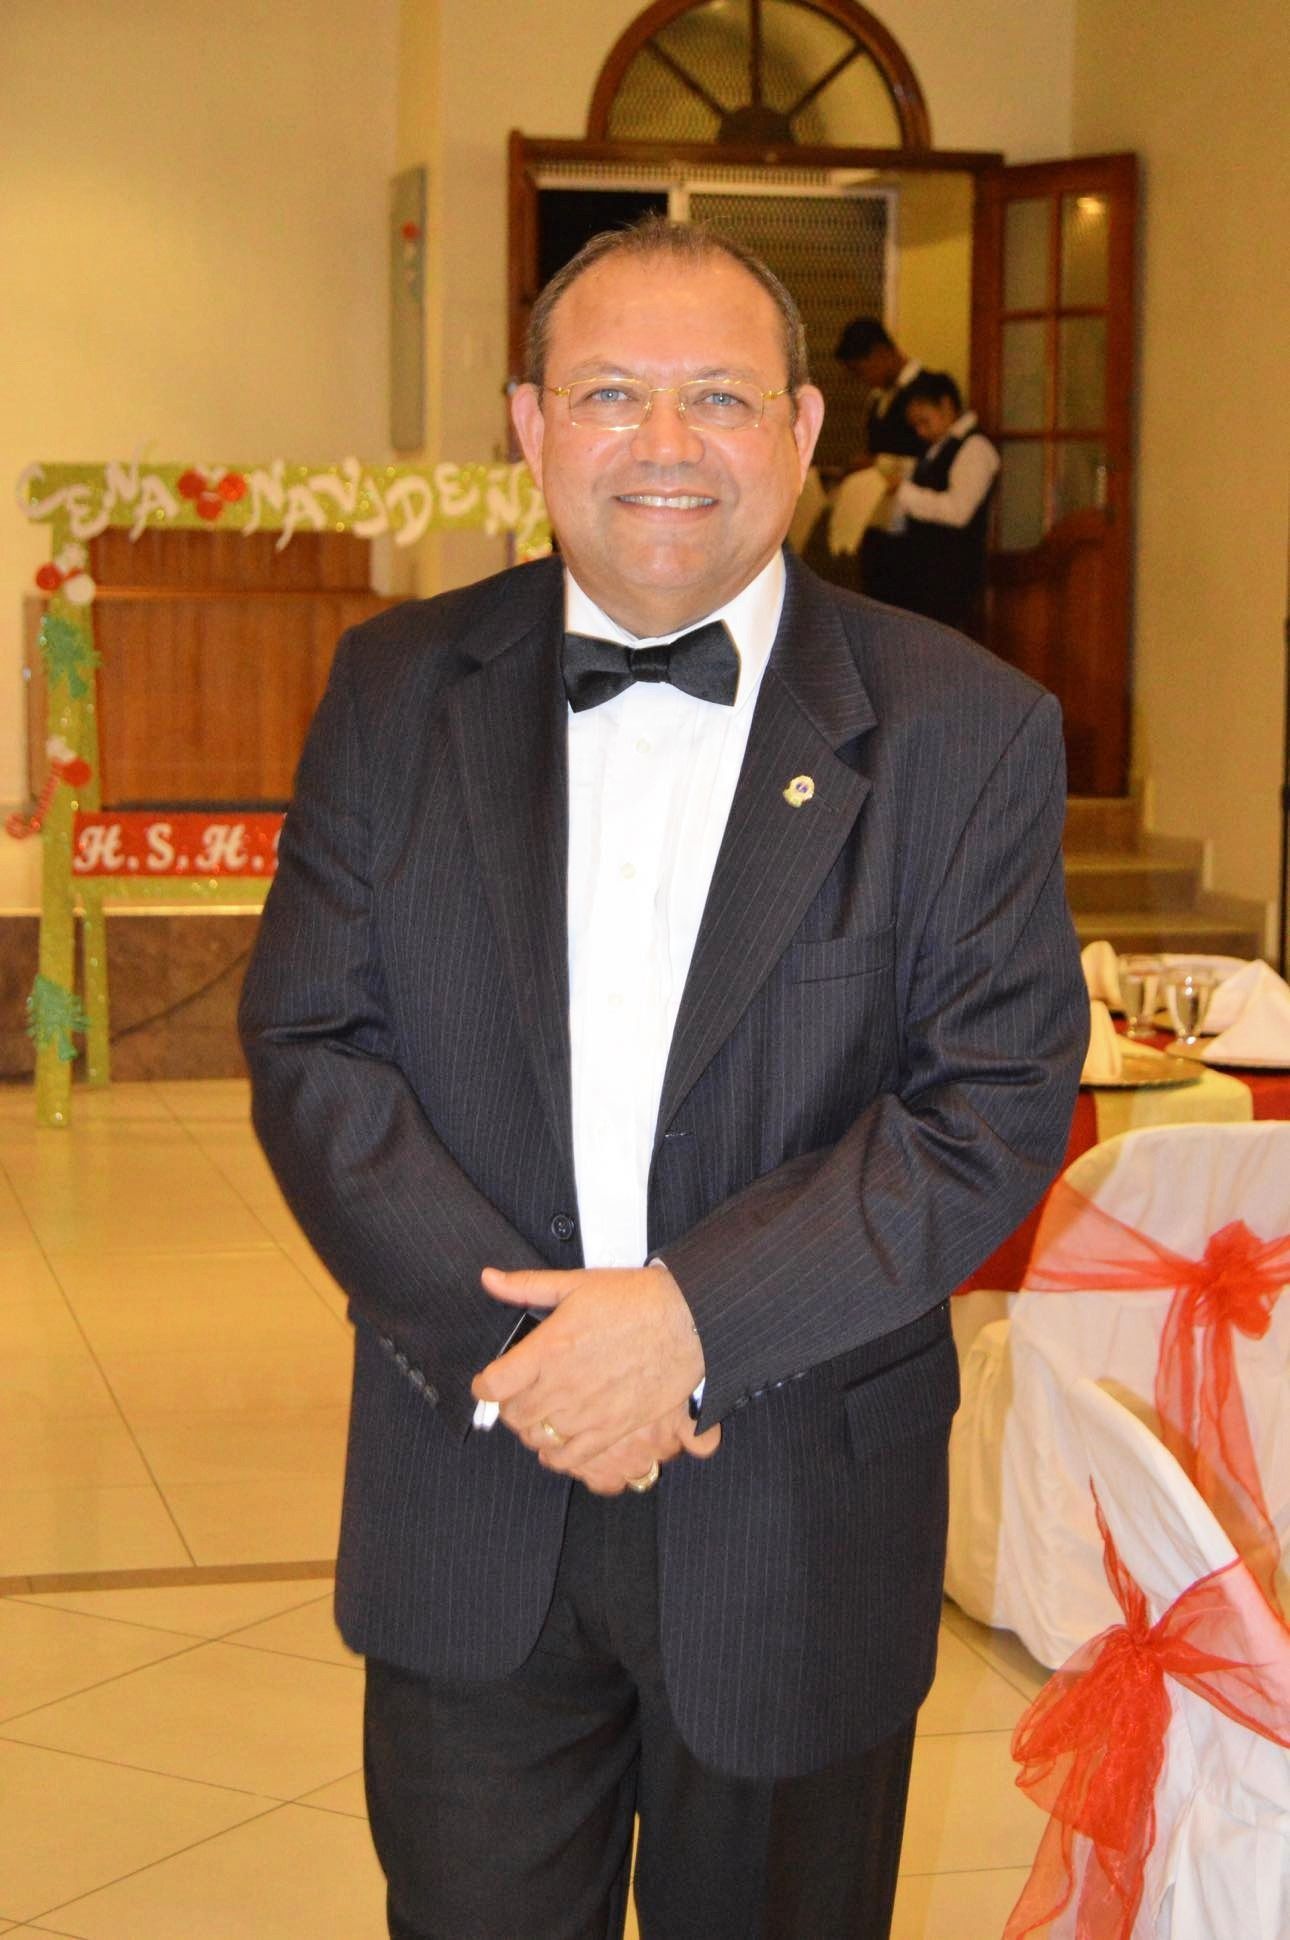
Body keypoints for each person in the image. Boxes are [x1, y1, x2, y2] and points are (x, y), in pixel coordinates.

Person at [239, 217, 1086, 1940]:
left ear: (799, 434)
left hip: (792, 1508)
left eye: (720, 396)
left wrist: (687, 1320)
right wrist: (535, 1357)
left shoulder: (965, 727)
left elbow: (986, 1100)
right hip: (471, 1477)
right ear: (531, 427)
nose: (666, 442)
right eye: (611, 391)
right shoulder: (394, 688)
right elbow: (314, 1043)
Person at [883, 369, 1001, 640]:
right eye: (915, 426)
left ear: (946, 405)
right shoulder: (936, 448)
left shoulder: (975, 448)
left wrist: (905, 492)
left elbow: (958, 511)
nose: (921, 432)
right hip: (927, 573)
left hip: (953, 574)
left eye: (924, 421)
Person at [833, 317, 926, 602]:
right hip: (878, 523)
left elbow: (928, 459)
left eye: (862, 371)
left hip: (913, 531)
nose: (864, 380)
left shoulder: (927, 390)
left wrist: (876, 463)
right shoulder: (877, 399)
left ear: (880, 354)